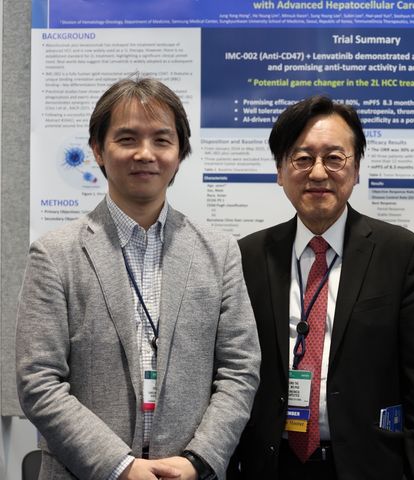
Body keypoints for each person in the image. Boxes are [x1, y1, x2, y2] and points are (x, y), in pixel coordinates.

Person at [16, 77, 261, 480]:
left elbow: (240, 369)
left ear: (180, 153)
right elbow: (38, 381)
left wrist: (197, 460)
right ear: (98, 149)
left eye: (161, 140)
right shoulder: (55, 255)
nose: (145, 153)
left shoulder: (219, 252)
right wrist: (120, 467)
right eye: (127, 139)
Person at [228, 95, 414, 479]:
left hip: (368, 467)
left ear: (356, 168)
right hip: (271, 465)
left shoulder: (402, 255)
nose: (318, 173)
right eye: (302, 159)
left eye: (334, 158)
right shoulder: (248, 256)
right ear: (280, 171)